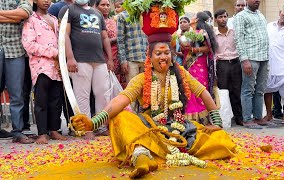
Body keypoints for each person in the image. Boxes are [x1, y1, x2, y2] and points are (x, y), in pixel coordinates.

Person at [70, 4, 236, 178]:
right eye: (158, 53)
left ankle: (157, 153)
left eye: (166, 53)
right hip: (149, 129)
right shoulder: (142, 78)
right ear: (149, 56)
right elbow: (120, 101)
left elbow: (204, 93)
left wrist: (217, 123)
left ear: (171, 55)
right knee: (120, 117)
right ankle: (142, 156)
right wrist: (93, 123)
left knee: (222, 142)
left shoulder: (181, 73)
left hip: (180, 130)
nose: (163, 57)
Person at [63, 0, 114, 138]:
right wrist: (70, 58)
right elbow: (64, 35)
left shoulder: (97, 13)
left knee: (103, 94)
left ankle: (101, 127)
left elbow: (104, 37)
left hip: (99, 60)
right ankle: (86, 128)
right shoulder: (68, 10)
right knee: (82, 95)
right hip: (79, 60)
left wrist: (109, 58)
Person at [22, 0, 68, 144]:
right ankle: (42, 133)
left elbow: (61, 41)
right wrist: (53, 53)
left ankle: (54, 130)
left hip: (57, 66)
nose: (47, 1)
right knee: (41, 100)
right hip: (40, 66)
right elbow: (29, 44)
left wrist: (61, 57)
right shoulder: (31, 19)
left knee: (56, 99)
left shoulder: (55, 19)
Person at [0, 0, 34, 143]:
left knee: (17, 93)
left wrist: (19, 16)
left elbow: (24, 13)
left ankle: (17, 132)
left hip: (16, 50)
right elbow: (19, 15)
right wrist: (15, 17)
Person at [234, 0, 269, 129]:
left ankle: (258, 117)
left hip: (264, 57)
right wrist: (244, 60)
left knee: (260, 90)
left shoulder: (261, 15)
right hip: (251, 58)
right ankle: (247, 119)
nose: (257, 1)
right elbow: (239, 39)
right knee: (248, 89)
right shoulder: (241, 16)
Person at [182, 12, 217, 126]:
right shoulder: (190, 33)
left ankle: (203, 118)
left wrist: (193, 50)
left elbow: (208, 48)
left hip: (199, 64)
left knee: (200, 89)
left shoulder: (202, 33)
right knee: (189, 89)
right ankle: (192, 119)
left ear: (196, 19)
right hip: (190, 64)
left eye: (193, 17)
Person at [214, 9, 243, 126]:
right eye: (220, 17)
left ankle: (239, 117)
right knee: (224, 92)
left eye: (225, 17)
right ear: (216, 19)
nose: (223, 19)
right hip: (222, 65)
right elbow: (213, 54)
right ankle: (225, 118)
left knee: (237, 91)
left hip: (235, 63)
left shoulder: (234, 32)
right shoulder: (213, 35)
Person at [95, 0, 126, 88]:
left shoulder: (113, 21)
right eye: (103, 5)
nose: (106, 7)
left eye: (108, 5)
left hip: (118, 57)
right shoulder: (96, 21)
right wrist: (116, 39)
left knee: (119, 86)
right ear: (97, 7)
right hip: (105, 58)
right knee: (106, 86)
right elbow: (99, 41)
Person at [116, 1, 148, 83]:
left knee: (146, 90)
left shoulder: (145, 15)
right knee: (133, 91)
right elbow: (120, 40)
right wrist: (123, 61)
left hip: (146, 59)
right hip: (131, 59)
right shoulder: (122, 16)